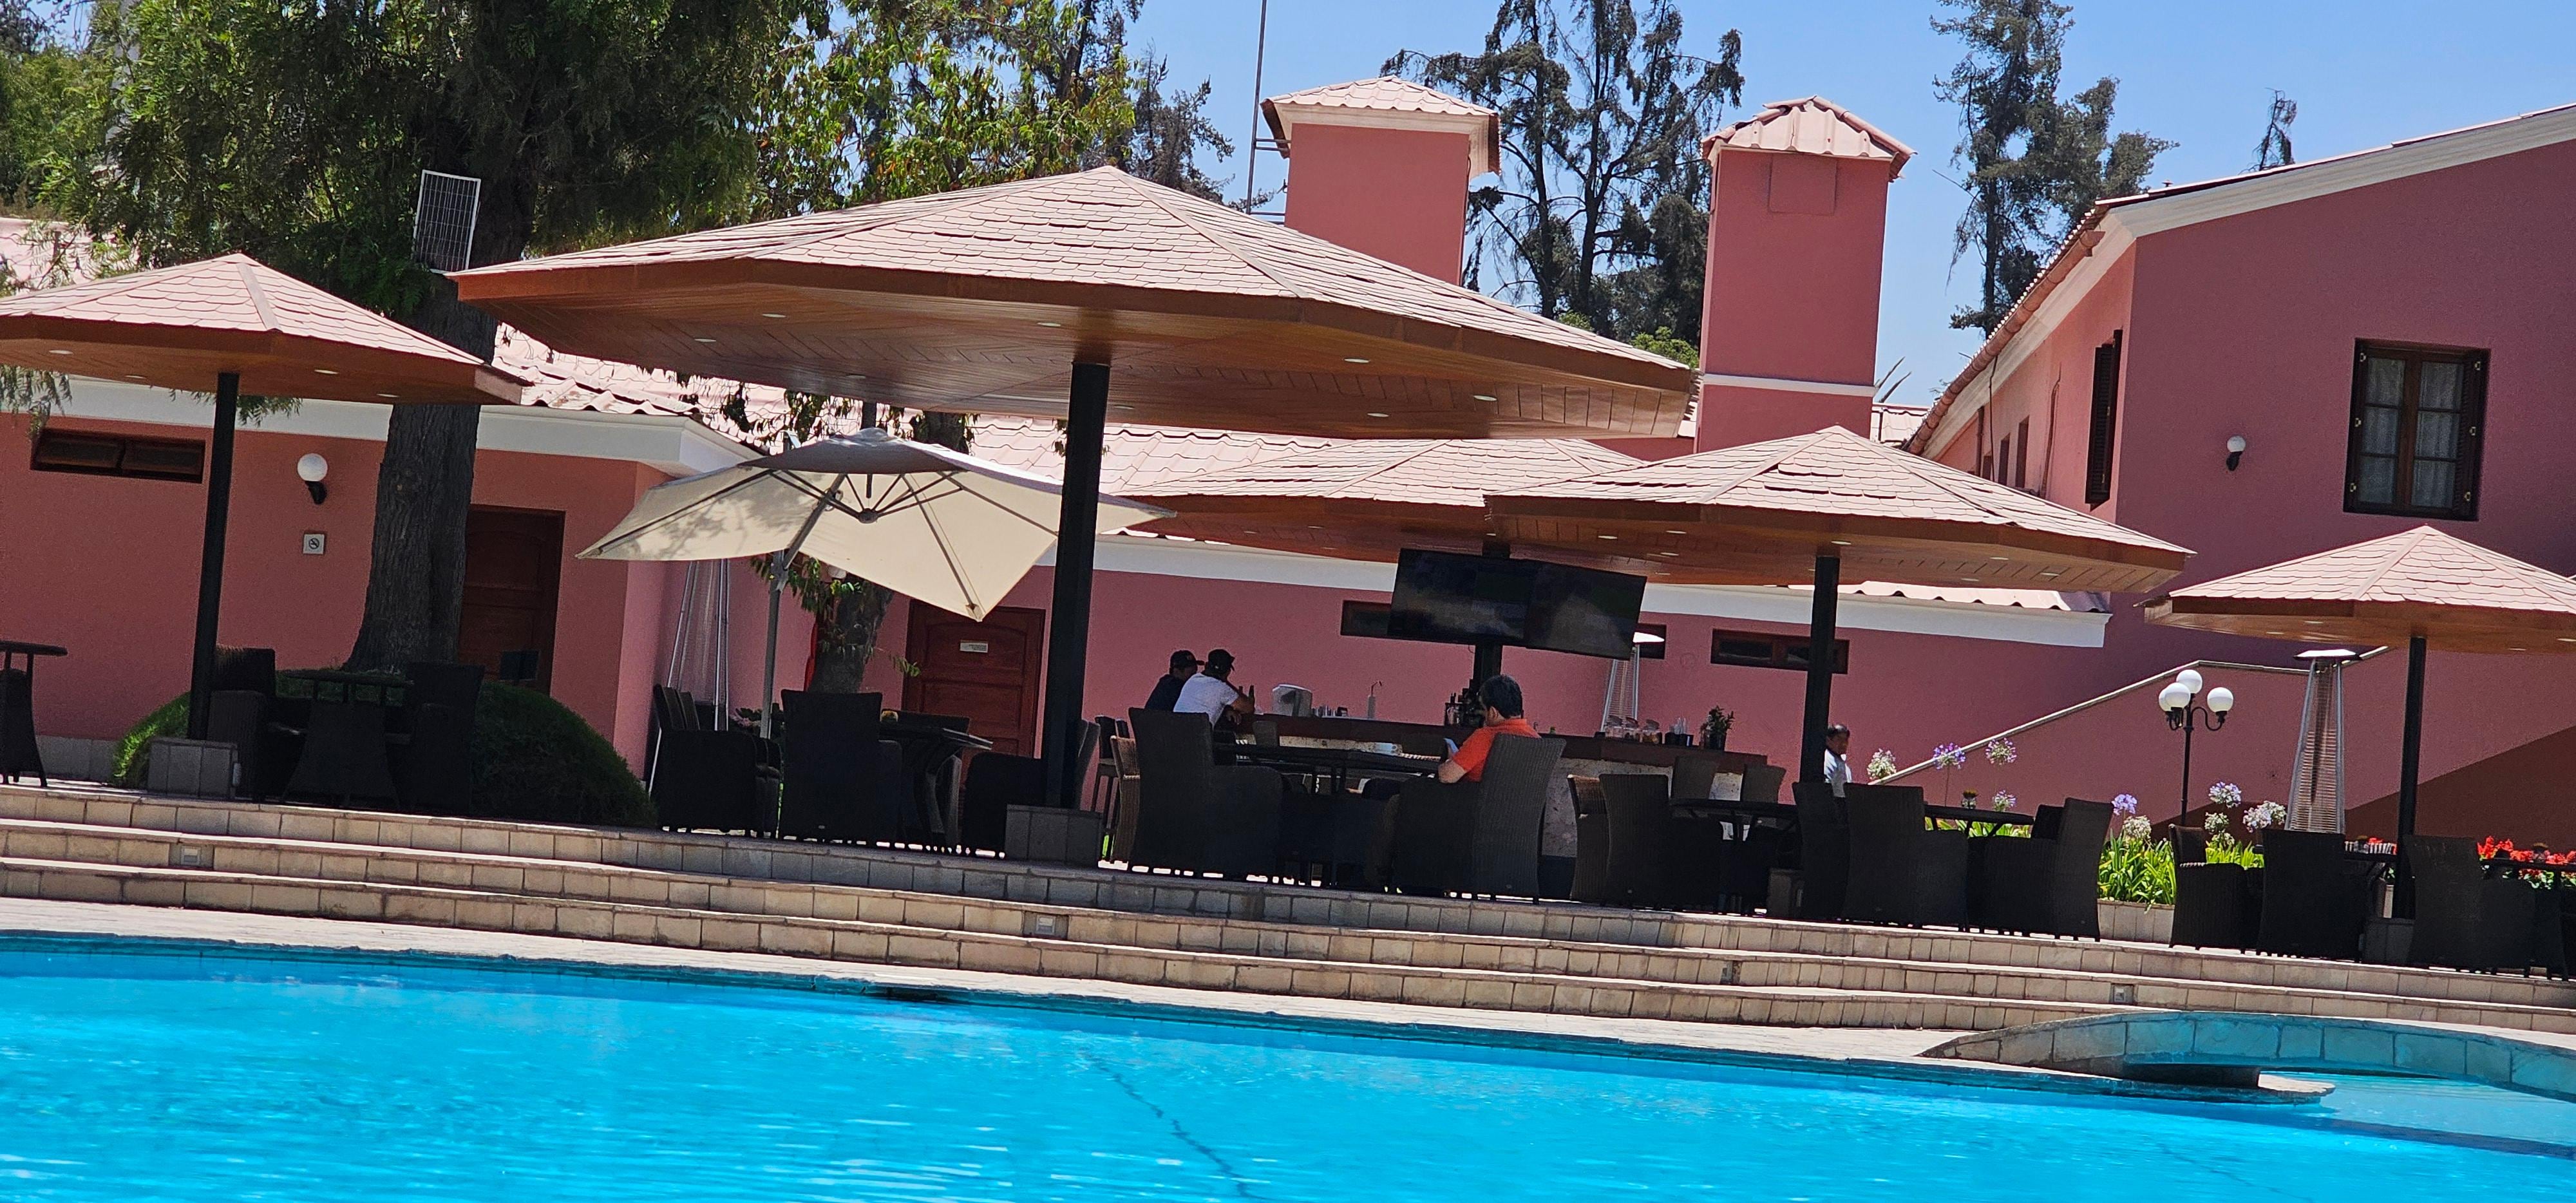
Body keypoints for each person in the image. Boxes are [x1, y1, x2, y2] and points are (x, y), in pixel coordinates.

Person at [1435, 675, 1539, 784]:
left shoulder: (1486, 737)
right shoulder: (1536, 739)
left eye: (1483, 709)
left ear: (1493, 713)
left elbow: (1446, 776)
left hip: (1476, 794)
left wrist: (1450, 761)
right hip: (1523, 795)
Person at [1173, 648, 1254, 728]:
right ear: (1228, 672)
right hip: (1197, 735)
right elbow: (1248, 708)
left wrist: (1227, 709)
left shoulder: (1193, 679)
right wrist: (1227, 683)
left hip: (1174, 731)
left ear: (1207, 666)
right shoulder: (1222, 688)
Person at [1142, 649, 1198, 713]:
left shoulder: (1167, 684)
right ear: (1177, 670)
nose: (1195, 670)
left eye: (1195, 667)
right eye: (1189, 668)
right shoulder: (1173, 686)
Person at [1821, 723, 1853, 797]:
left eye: (1846, 740)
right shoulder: (1826, 759)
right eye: (1839, 739)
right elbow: (1826, 786)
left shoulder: (1842, 761)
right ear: (1829, 740)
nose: (1844, 744)